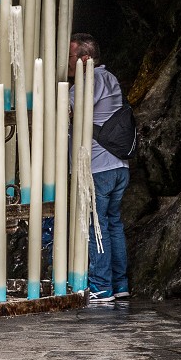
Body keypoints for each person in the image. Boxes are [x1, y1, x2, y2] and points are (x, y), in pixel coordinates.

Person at [69, 33, 129, 306]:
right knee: (113, 224)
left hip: (98, 167)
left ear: (84, 59)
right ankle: (120, 285)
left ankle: (102, 288)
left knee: (97, 226)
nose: (66, 63)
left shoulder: (90, 80)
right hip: (118, 166)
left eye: (69, 57)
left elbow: (68, 107)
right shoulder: (111, 78)